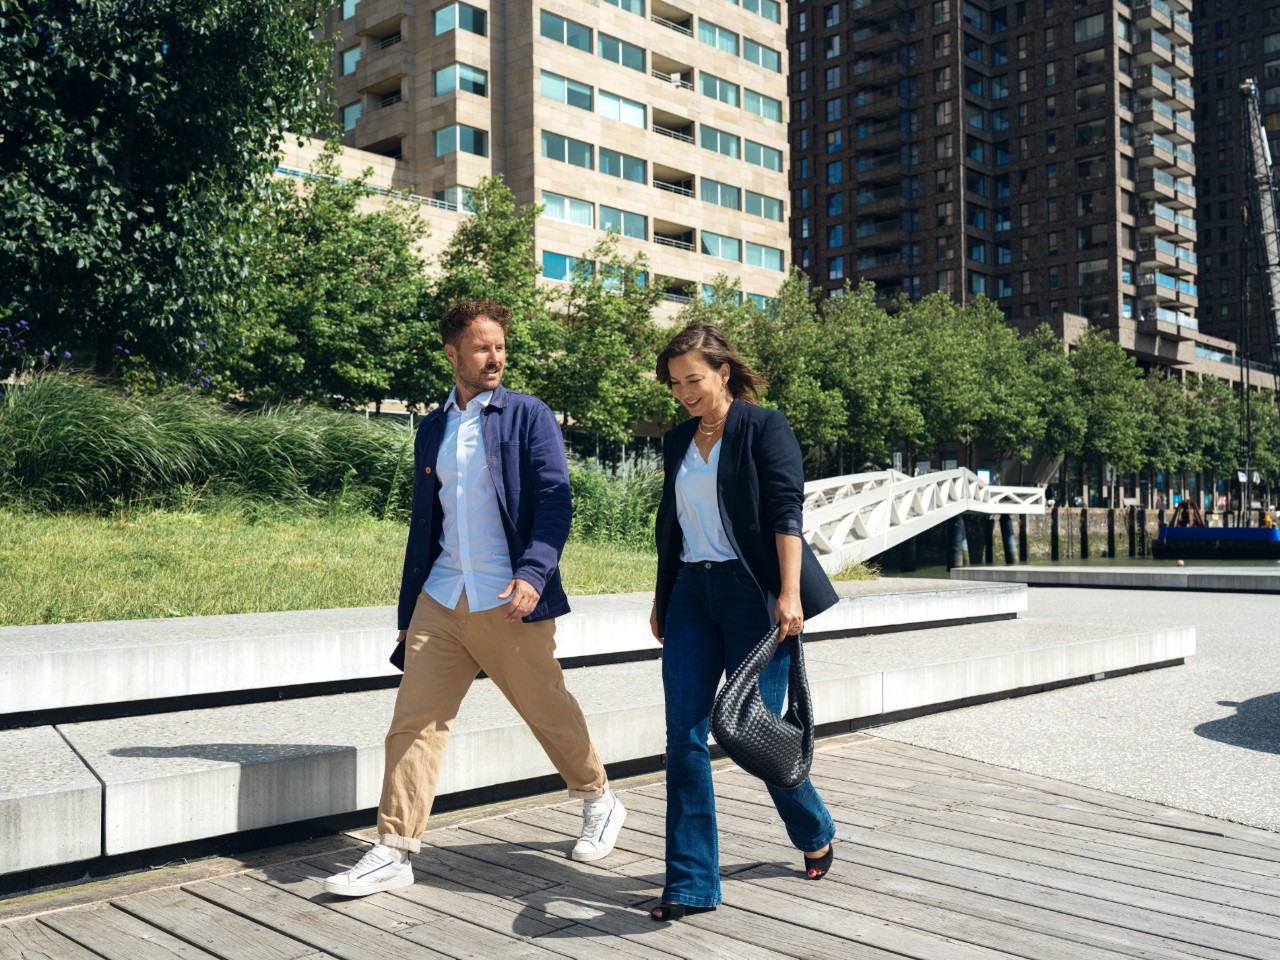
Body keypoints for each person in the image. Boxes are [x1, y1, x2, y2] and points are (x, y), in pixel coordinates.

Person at [324, 299, 626, 897]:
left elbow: (554, 500)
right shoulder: (434, 427)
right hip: (442, 593)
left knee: (545, 707)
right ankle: (393, 849)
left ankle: (598, 797)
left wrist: (535, 573)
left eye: (501, 346)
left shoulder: (527, 415)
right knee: (413, 722)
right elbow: (424, 526)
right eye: (482, 347)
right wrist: (409, 614)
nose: (495, 357)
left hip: (507, 594)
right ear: (453, 354)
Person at [647, 323, 839, 922]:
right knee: (684, 739)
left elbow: (787, 513)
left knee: (750, 731)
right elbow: (671, 522)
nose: (684, 392)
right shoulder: (678, 439)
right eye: (676, 383)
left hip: (752, 596)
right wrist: (662, 593)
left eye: (694, 380)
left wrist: (789, 594)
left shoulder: (763, 427)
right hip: (690, 596)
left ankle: (813, 825)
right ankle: (691, 884)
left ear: (723, 372)